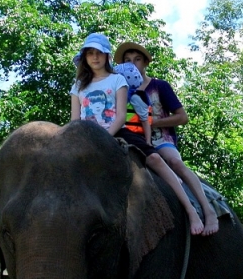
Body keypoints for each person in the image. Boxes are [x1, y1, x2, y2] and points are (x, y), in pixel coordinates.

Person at [70, 33, 205, 235]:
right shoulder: (79, 86)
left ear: (107, 56)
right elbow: (74, 120)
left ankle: (190, 209)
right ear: (84, 57)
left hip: (115, 131)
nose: (95, 57)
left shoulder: (117, 80)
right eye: (90, 53)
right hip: (86, 136)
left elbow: (121, 115)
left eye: (99, 53)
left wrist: (105, 137)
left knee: (155, 159)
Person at [114, 41, 219, 236]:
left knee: (173, 162)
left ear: (145, 62)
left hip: (161, 139)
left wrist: (152, 123)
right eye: (127, 60)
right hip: (130, 140)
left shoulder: (159, 86)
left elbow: (182, 117)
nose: (132, 64)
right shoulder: (118, 88)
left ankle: (207, 209)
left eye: (137, 59)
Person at [113, 62, 153, 146]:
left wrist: (148, 141)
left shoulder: (135, 98)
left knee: (153, 157)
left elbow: (145, 121)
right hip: (117, 132)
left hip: (135, 135)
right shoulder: (115, 95)